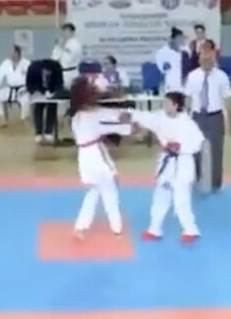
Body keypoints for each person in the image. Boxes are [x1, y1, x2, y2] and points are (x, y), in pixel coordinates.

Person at [119, 92, 204, 243]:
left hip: (182, 163)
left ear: (176, 106)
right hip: (166, 163)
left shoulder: (187, 123)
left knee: (181, 199)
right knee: (161, 196)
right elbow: (146, 118)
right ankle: (154, 229)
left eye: (168, 103)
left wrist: (181, 147)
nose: (165, 106)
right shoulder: (160, 117)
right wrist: (131, 115)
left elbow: (198, 142)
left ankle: (190, 230)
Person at [70, 76, 123, 240]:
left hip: (84, 157)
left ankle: (81, 227)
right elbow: (118, 121)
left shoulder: (76, 117)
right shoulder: (96, 115)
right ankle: (117, 228)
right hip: (96, 155)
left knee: (93, 191)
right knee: (109, 190)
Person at [184, 41, 231, 193]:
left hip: (215, 117)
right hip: (197, 116)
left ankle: (216, 183)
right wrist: (184, 119)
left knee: (217, 151)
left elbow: (228, 99)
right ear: (199, 58)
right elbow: (188, 99)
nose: (206, 61)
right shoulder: (192, 76)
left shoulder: (221, 76)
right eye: (203, 58)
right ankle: (197, 178)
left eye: (209, 58)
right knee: (195, 150)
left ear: (214, 58)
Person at [0, 44, 30, 126]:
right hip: (10, 89)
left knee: (26, 99)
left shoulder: (26, 64)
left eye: (12, 52)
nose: (10, 54)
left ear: (17, 53)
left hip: (24, 89)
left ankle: (24, 119)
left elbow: (33, 79)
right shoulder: (6, 63)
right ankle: (1, 117)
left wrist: (27, 89)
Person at [26, 59, 63, 143]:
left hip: (51, 92)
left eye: (49, 73)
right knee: (38, 108)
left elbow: (59, 83)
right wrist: (39, 92)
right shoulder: (33, 68)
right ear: (42, 70)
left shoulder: (56, 68)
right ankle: (38, 132)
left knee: (52, 107)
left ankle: (48, 132)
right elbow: (29, 84)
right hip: (37, 92)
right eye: (46, 72)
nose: (48, 74)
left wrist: (54, 92)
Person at [155, 27, 186, 92]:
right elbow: (162, 68)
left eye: (181, 38)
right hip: (171, 82)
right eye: (179, 38)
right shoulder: (163, 52)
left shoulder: (185, 50)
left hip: (184, 82)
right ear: (173, 39)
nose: (181, 40)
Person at [50, 23, 82, 87]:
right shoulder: (61, 43)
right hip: (60, 72)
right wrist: (59, 46)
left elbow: (68, 60)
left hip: (71, 73)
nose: (65, 33)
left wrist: (62, 47)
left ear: (72, 32)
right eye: (64, 31)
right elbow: (54, 58)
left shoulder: (75, 44)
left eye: (67, 31)